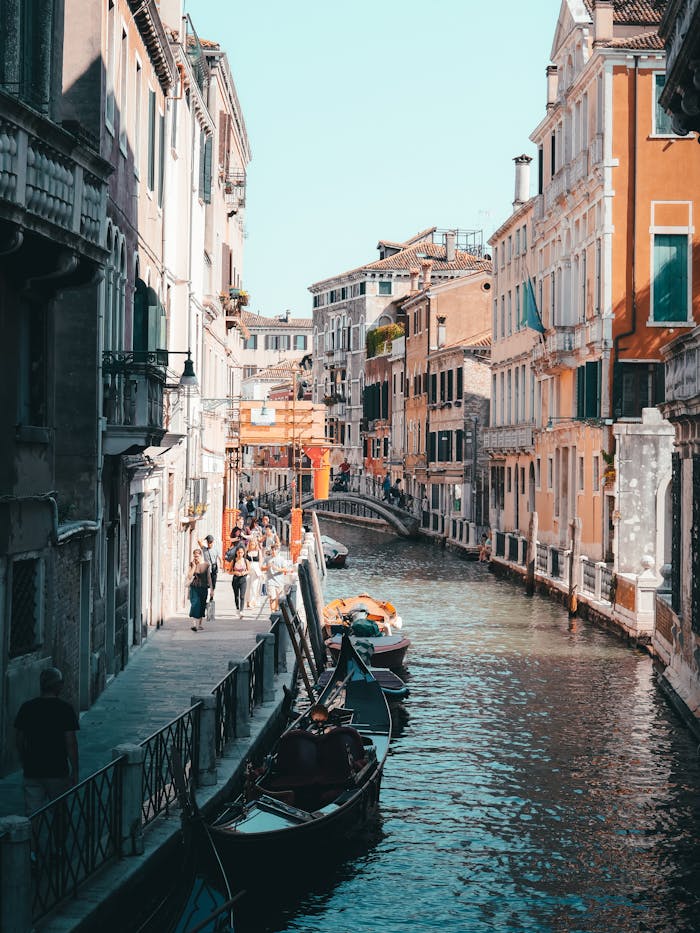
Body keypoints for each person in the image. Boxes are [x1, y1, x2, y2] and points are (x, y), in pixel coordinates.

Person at [15, 667, 79, 815]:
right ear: (57, 685)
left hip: (32, 770)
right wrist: (75, 770)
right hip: (57, 770)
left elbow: (19, 739)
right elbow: (71, 743)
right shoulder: (65, 709)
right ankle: (59, 839)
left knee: (33, 813)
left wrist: (23, 760)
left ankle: (33, 838)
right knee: (60, 814)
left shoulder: (27, 708)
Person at [188, 547, 212, 632]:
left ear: (201, 556)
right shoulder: (192, 564)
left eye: (197, 556)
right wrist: (194, 566)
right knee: (195, 604)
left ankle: (200, 624)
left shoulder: (206, 565)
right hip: (194, 587)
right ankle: (194, 625)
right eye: (194, 556)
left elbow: (209, 578)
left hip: (204, 587)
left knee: (202, 605)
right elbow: (189, 576)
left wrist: (212, 590)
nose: (195, 558)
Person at [261, 544, 290, 612]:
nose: (273, 551)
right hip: (270, 581)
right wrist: (268, 567)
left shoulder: (281, 559)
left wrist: (277, 569)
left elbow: (286, 569)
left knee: (278, 598)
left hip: (279, 581)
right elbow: (262, 568)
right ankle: (273, 612)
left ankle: (276, 611)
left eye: (275, 550)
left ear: (278, 551)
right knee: (272, 597)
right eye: (272, 550)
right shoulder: (267, 559)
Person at [230, 545, 250, 618]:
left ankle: (241, 610)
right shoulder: (234, 560)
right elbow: (229, 571)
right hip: (235, 580)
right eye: (238, 552)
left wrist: (244, 573)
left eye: (241, 552)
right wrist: (235, 573)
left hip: (243, 580)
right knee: (236, 596)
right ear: (236, 553)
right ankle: (237, 609)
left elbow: (249, 570)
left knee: (242, 596)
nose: (240, 554)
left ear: (244, 553)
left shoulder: (246, 561)